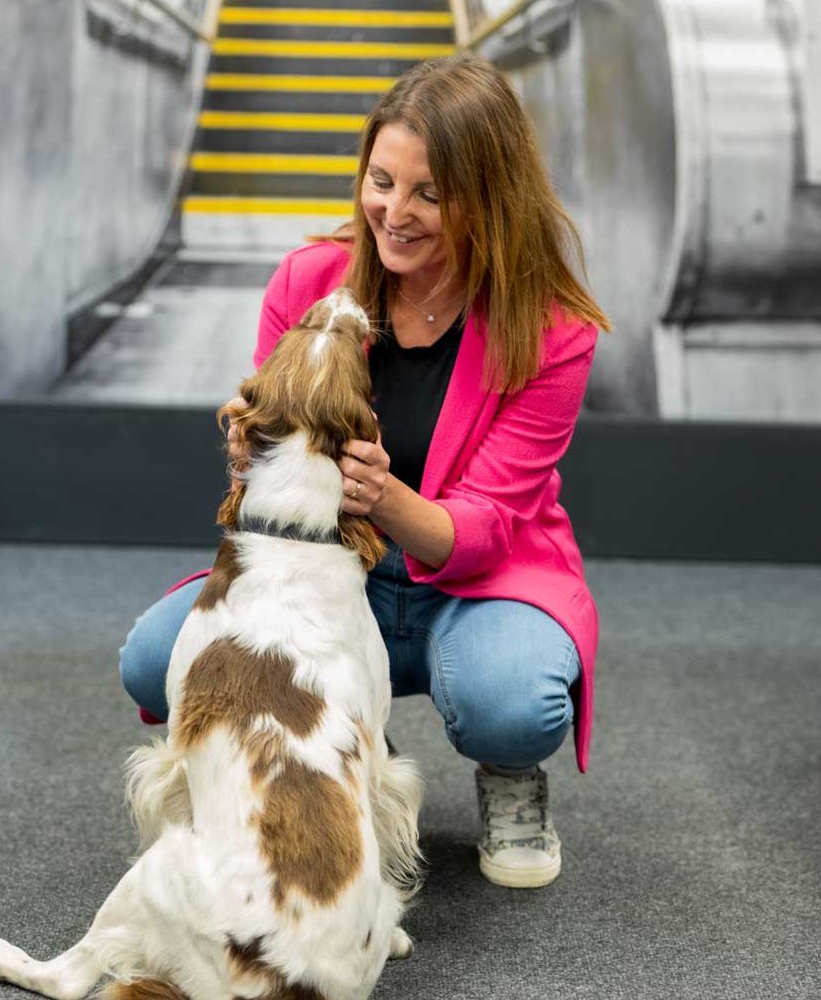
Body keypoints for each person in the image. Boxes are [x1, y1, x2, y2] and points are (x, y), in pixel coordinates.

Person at [120, 53, 609, 889]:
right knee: (154, 658)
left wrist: (385, 496)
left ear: (489, 199)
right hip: (333, 569)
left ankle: (511, 776)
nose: (394, 211)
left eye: (429, 193)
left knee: (511, 702)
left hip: (479, 583)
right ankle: (356, 749)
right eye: (381, 181)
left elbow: (486, 528)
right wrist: (255, 451)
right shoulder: (307, 280)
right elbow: (271, 454)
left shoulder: (553, 329)